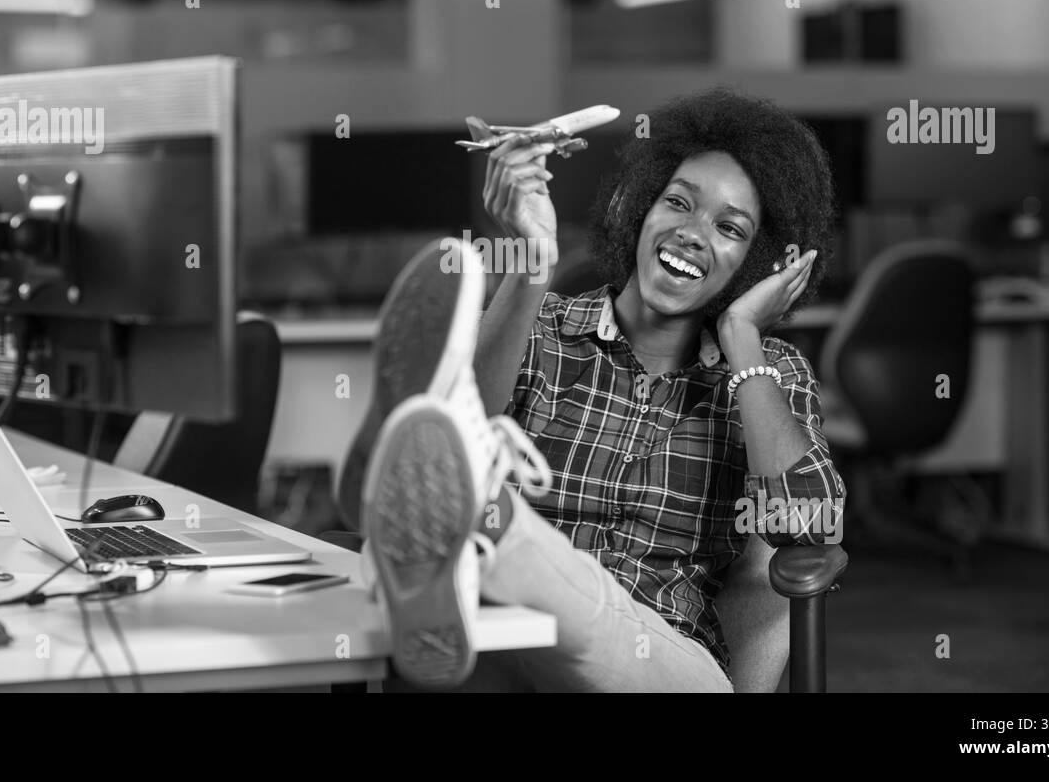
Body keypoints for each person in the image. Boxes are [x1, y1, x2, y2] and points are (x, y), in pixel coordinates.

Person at [337, 86, 845, 692]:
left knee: (540, 588)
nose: (690, 232)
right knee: (491, 620)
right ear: (639, 211)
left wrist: (741, 336)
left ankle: (484, 529)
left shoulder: (771, 372)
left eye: (729, 228)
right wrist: (530, 264)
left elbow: (809, 528)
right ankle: (456, 526)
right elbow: (455, 428)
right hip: (518, 643)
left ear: (759, 263)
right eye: (677, 203)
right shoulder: (543, 329)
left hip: (669, 666)